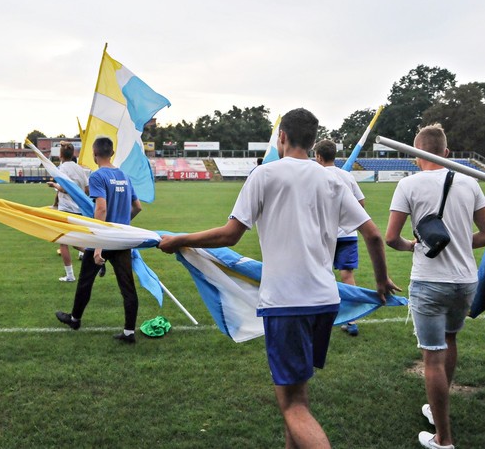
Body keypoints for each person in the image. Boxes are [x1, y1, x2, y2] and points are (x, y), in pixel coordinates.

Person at [159, 108, 399, 448]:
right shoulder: (334, 179)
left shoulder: (265, 175)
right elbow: (373, 235)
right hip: (326, 301)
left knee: (292, 405)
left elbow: (230, 235)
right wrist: (381, 281)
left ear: (281, 136)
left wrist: (181, 239)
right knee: (298, 395)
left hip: (287, 302)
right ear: (313, 141)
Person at [385, 124, 485, 449]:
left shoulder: (408, 184)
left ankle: (443, 439)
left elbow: (392, 237)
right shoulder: (469, 182)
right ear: (446, 153)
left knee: (432, 358)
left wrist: (413, 246)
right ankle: (437, 412)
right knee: (449, 341)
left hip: (429, 282)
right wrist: (460, 243)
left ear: (416, 154)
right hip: (465, 282)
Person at [55, 137, 142, 343]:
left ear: (94, 154)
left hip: (104, 239)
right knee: (127, 287)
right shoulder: (124, 176)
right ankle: (129, 332)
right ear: (111, 153)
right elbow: (137, 207)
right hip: (121, 239)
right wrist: (122, 224)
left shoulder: (98, 176)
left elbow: (101, 208)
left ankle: (75, 319)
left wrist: (98, 247)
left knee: (86, 280)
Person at [314, 139, 366, 337]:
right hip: (347, 235)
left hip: (322, 236)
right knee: (347, 276)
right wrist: (347, 220)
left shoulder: (315, 175)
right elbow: (361, 204)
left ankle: (319, 318)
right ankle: (351, 320)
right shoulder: (347, 176)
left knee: (320, 275)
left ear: (318, 156)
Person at [47, 141, 89, 282]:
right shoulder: (80, 169)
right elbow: (87, 190)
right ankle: (94, 256)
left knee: (63, 241)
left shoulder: (61, 170)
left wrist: (54, 185)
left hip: (66, 209)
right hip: (79, 209)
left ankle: (70, 275)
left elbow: (64, 189)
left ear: (60, 155)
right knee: (76, 240)